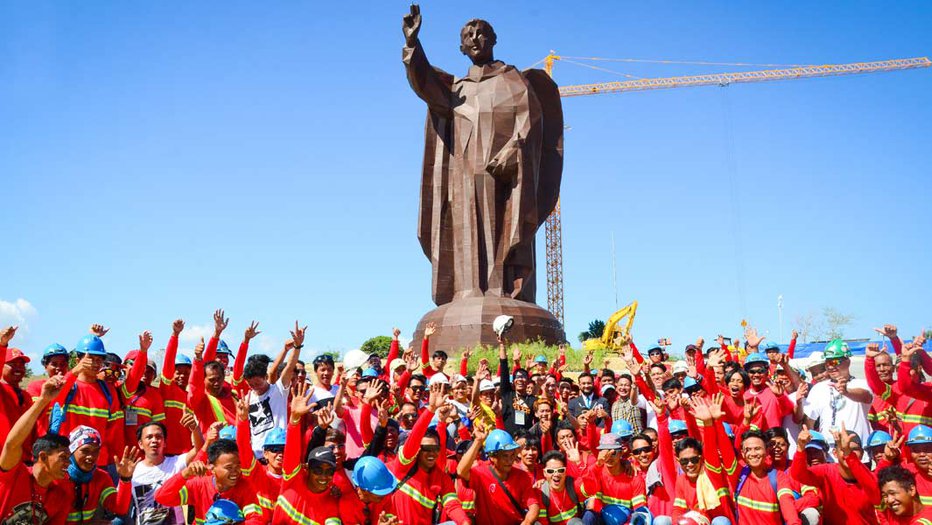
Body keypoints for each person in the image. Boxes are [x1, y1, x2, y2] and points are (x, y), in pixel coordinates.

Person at [401, 4, 563, 305]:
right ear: (461, 47)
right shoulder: (455, 90)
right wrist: (413, 44)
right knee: (465, 234)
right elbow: (424, 84)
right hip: (463, 173)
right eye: (468, 35)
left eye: (481, 34)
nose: (475, 39)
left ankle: (502, 292)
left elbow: (531, 119)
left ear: (493, 40)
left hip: (503, 174)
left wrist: (514, 148)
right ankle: (467, 292)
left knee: (501, 231)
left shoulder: (513, 81)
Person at [391, 384, 469, 525]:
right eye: (426, 448)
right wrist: (431, 410)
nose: (432, 452)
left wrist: (464, 522)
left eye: (436, 448)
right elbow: (414, 438)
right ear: (417, 450)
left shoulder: (441, 477)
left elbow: (452, 505)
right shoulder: (403, 466)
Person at [0, 375, 70, 524]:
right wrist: (43, 401)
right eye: (63, 457)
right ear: (43, 457)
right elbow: (12, 444)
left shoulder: (60, 497)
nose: (68, 464)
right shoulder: (14, 474)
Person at [272, 383, 344, 525]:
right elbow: (292, 450)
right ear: (307, 469)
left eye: (329, 471)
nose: (324, 476)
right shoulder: (293, 480)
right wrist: (294, 419)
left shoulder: (331, 503)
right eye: (318, 470)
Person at [154, 439, 264, 523]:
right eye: (229, 467)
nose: (235, 472)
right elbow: (162, 497)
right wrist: (184, 474)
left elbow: (256, 520)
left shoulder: (245, 487)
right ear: (211, 467)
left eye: (238, 466)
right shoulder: (198, 485)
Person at [790, 423, 879, 524]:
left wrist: (849, 455)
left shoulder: (869, 477)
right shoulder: (827, 471)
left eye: (853, 449)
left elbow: (876, 493)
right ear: (835, 453)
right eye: (843, 449)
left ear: (862, 454)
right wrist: (800, 448)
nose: (847, 452)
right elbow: (798, 474)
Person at [458, 426, 541, 525]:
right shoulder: (480, 474)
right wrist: (478, 441)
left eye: (512, 455)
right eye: (505, 456)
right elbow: (461, 471)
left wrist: (527, 522)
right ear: (492, 457)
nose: (509, 461)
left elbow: (533, 505)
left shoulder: (522, 476)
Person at [131, 418, 204, 525]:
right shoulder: (132, 470)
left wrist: (195, 429)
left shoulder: (177, 462)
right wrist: (124, 478)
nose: (154, 440)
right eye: (149, 437)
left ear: (165, 443)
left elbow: (200, 450)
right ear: (141, 444)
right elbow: (120, 505)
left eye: (159, 437)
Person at [59, 425, 138, 523]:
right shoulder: (58, 476)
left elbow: (119, 509)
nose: (91, 456)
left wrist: (125, 479)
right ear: (72, 450)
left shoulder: (101, 477)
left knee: (123, 521)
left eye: (96, 451)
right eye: (85, 451)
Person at [802, 340, 873, 446]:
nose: (830, 367)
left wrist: (846, 392)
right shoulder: (818, 388)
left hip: (858, 453)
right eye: (827, 363)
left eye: (835, 362)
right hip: (830, 454)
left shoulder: (861, 383)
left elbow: (866, 397)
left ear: (847, 361)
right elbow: (809, 421)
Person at [537, 451, 587, 525]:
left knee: (576, 522)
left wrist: (579, 463)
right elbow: (543, 522)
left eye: (560, 470)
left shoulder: (573, 484)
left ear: (565, 471)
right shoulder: (541, 492)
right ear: (544, 473)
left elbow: (591, 488)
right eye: (550, 471)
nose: (556, 474)